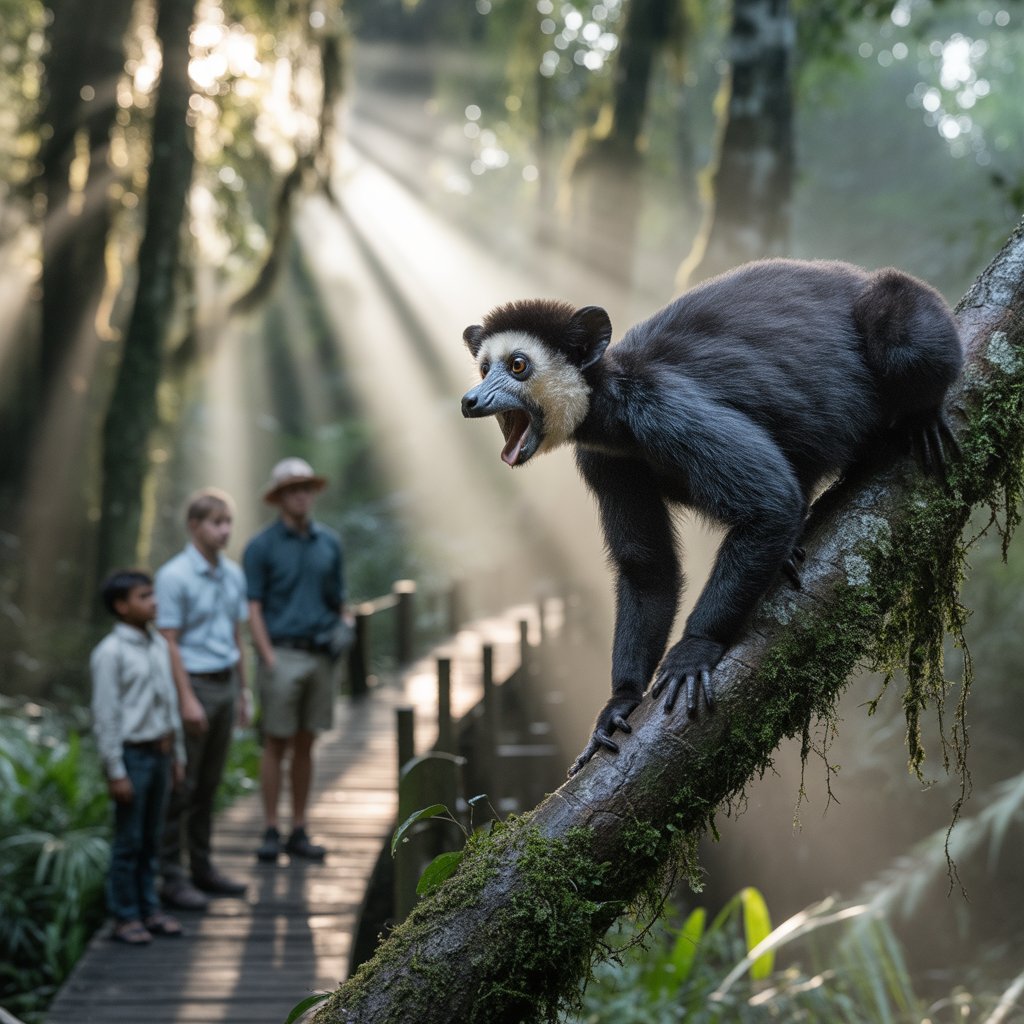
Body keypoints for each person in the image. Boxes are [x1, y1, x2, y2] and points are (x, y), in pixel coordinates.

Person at [243, 457, 349, 863]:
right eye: (292, 489)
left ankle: (299, 827)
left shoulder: (329, 543)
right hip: (281, 653)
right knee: (275, 742)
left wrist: (346, 626)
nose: (301, 494)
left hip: (322, 656)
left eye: (306, 487)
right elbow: (253, 606)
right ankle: (270, 828)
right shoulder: (261, 546)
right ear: (279, 497)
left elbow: (339, 600)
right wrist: (267, 657)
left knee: (306, 743)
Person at [155, 488, 251, 910]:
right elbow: (168, 642)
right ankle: (171, 877)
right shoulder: (174, 576)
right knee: (183, 784)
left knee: (210, 783)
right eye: (215, 522)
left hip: (225, 682)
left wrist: (244, 691)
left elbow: (236, 635)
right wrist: (186, 699)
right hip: (192, 684)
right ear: (194, 526)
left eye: (228, 521)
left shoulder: (232, 574)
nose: (224, 529)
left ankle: (203, 867)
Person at [91, 570, 186, 945]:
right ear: (121, 605)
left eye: (153, 595)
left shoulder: (158, 645)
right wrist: (115, 770)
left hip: (161, 753)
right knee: (129, 840)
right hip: (133, 757)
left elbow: (169, 704)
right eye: (144, 596)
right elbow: (106, 716)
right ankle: (125, 915)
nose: (155, 602)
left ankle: (150, 908)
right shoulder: (109, 654)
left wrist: (177, 755)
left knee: (152, 838)